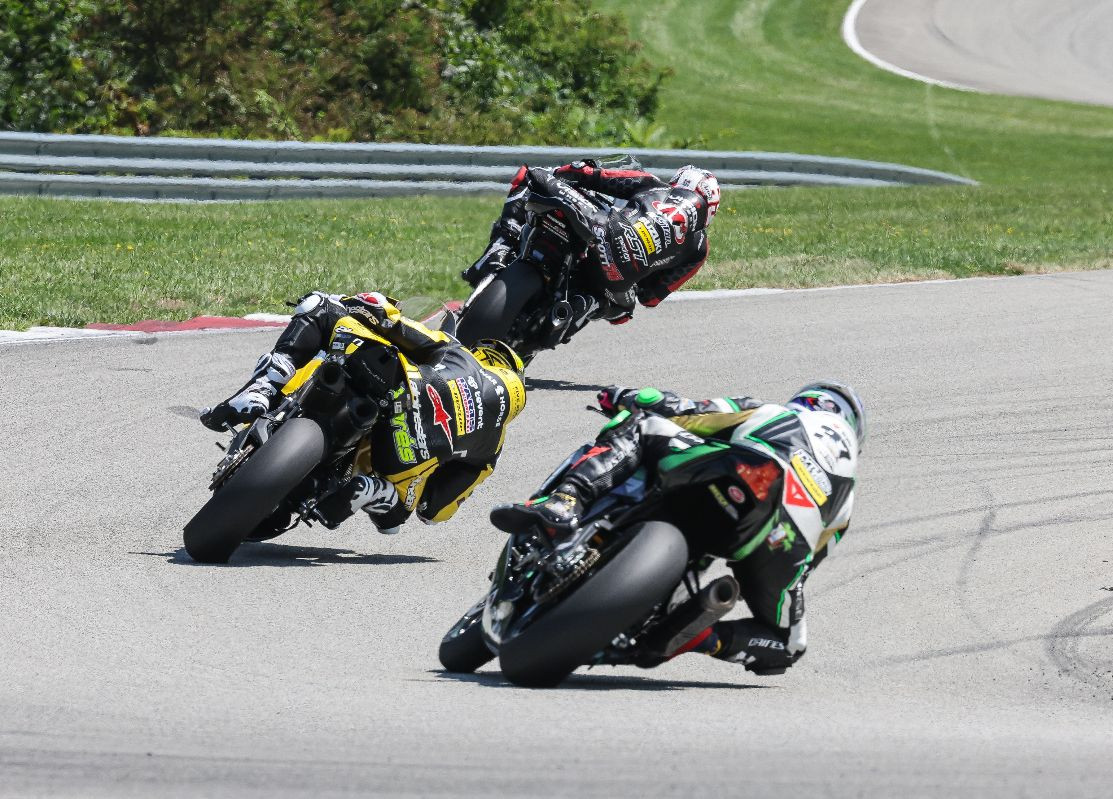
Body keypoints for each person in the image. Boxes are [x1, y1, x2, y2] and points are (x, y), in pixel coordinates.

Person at [490, 381, 864, 676]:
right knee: (788, 644)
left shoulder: (777, 412)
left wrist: (630, 397)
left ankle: (566, 500)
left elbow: (687, 411)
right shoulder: (848, 499)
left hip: (749, 469)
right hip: (784, 537)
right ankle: (697, 635)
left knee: (642, 425)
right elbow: (810, 561)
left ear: (811, 401)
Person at [201, 291, 526, 533]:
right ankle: (370, 492)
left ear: (486, 358)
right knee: (397, 515)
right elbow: (434, 510)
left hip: (404, 386)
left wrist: (364, 305)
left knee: (319, 306)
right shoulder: (491, 449)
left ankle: (265, 386)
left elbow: (392, 321)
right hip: (405, 451)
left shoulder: (458, 353)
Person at [463, 156, 720, 326]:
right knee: (621, 312)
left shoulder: (654, 185)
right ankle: (576, 309)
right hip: (620, 278)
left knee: (529, 175)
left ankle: (500, 246)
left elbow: (594, 175)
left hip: (605, 229)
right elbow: (650, 298)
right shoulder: (699, 248)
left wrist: (566, 172)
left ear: (681, 181)